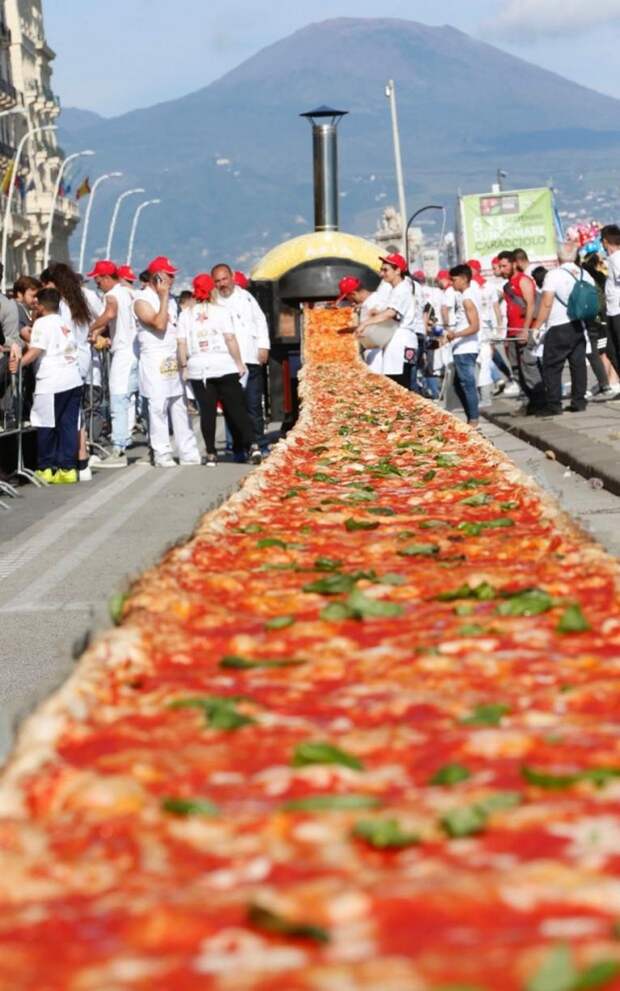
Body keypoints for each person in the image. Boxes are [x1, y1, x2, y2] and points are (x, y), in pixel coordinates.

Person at [177, 273, 259, 467]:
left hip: (199, 367)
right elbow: (230, 338)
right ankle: (252, 446)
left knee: (207, 412)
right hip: (223, 364)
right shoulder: (221, 311)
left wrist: (184, 366)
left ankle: (211, 453)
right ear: (212, 289)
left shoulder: (186, 315)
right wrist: (239, 362)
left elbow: (182, 343)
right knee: (237, 409)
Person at [9, 287, 82, 484]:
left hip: (51, 382)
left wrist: (19, 364)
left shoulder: (42, 323)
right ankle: (68, 469)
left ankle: (46, 468)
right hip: (73, 379)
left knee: (45, 425)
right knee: (68, 425)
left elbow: (36, 349)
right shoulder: (64, 322)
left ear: (40, 306)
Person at [133, 256, 200, 467]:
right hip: (154, 357)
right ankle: (162, 452)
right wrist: (162, 297)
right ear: (157, 277)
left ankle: (188, 451)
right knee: (158, 405)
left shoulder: (172, 299)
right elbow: (159, 324)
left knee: (180, 405)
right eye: (168, 275)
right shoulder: (142, 300)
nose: (172, 279)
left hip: (172, 355)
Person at [42, 262, 102, 481]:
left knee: (68, 414)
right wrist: (94, 333)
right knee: (76, 412)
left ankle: (75, 460)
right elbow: (102, 316)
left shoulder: (60, 305)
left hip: (67, 361)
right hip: (82, 357)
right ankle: (82, 458)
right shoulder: (81, 299)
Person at [211, 263, 270, 456]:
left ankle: (260, 444)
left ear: (232, 278)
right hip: (226, 363)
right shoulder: (212, 302)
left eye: (224, 279)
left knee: (253, 405)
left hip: (250, 357)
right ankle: (237, 447)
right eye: (218, 281)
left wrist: (263, 346)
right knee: (232, 408)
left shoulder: (246, 298)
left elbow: (260, 321)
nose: (222, 284)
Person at [531, 242, 594, 416]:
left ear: (558, 257)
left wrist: (536, 327)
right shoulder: (584, 274)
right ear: (575, 256)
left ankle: (554, 405)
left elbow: (546, 303)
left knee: (552, 366)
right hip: (579, 325)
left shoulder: (554, 275)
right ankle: (579, 401)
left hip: (558, 325)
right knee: (578, 364)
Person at [88, 260, 139, 466]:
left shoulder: (112, 295)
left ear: (107, 278)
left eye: (98, 280)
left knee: (118, 397)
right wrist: (99, 331)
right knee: (131, 397)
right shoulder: (128, 292)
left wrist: (91, 328)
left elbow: (109, 314)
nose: (97, 284)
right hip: (134, 350)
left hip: (124, 351)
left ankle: (118, 449)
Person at [355, 253, 415, 386]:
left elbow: (391, 313)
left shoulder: (402, 289)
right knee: (394, 385)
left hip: (402, 341)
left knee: (401, 385)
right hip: (395, 341)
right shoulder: (395, 289)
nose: (382, 274)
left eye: (385, 270)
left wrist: (366, 323)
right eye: (381, 270)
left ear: (398, 270)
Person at [497, 249, 544, 413]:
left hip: (524, 331)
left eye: (504, 266)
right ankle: (526, 403)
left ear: (514, 264)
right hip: (512, 332)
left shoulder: (523, 281)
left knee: (529, 367)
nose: (501, 270)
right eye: (500, 266)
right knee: (517, 370)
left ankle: (539, 401)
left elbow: (530, 305)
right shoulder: (506, 285)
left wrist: (525, 330)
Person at [446, 264, 480, 427]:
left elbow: (474, 326)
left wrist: (455, 334)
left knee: (467, 385)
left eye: (454, 280)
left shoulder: (467, 298)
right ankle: (470, 417)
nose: (452, 283)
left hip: (465, 348)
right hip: (463, 347)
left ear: (464, 279)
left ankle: (473, 419)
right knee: (462, 385)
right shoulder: (468, 294)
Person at [337, 275, 387, 374]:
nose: (349, 301)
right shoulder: (369, 301)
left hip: (378, 354)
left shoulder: (374, 303)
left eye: (348, 297)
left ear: (353, 294)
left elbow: (384, 326)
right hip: (372, 351)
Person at [601, 224, 620, 377]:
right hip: (613, 311)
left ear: (605, 242)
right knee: (611, 349)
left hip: (617, 311)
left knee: (613, 349)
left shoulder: (616, 258)